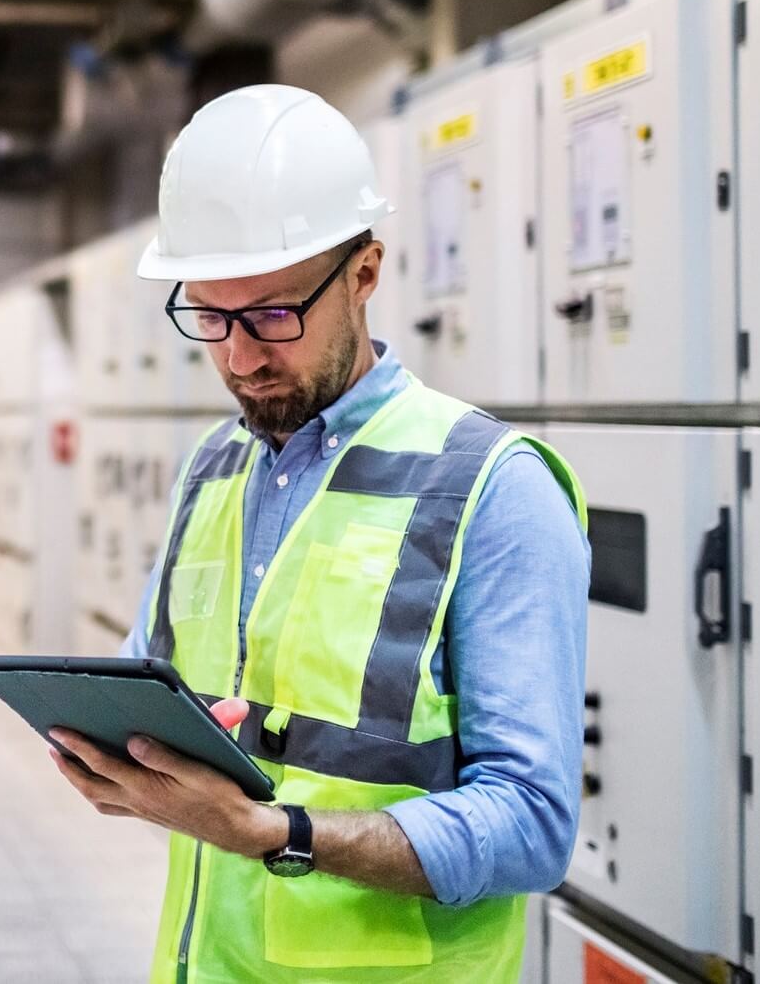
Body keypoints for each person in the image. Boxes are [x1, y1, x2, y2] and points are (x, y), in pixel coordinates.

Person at [46, 85, 591, 982]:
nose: (239, 358)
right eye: (209, 317)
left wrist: (277, 832)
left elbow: (532, 825)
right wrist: (118, 753)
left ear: (365, 273)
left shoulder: (494, 489)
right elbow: (148, 671)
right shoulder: (213, 468)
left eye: (272, 315)